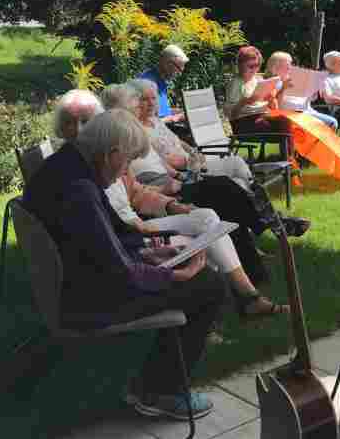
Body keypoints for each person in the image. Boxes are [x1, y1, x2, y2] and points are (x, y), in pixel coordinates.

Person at [23, 110, 227, 421]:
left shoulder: (69, 166)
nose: (124, 173)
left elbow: (108, 237)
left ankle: (158, 384)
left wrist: (146, 250)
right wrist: (173, 274)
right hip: (86, 302)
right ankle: (161, 391)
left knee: (197, 279)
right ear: (111, 154)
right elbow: (121, 275)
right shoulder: (80, 190)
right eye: (127, 162)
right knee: (209, 286)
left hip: (76, 282)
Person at [99, 84, 289, 320]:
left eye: (145, 101)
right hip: (136, 229)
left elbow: (136, 189)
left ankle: (250, 290)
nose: (143, 106)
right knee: (221, 191)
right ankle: (264, 234)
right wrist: (165, 194)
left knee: (213, 207)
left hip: (160, 196)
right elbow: (121, 210)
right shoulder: (107, 153)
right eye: (138, 103)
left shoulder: (122, 141)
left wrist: (173, 199)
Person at [127, 79, 252, 188]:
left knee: (238, 180)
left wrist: (194, 151)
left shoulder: (155, 120)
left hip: (194, 163)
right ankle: (257, 195)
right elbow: (160, 160)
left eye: (153, 98)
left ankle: (256, 196)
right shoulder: (137, 130)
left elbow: (177, 140)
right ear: (134, 102)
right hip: (186, 173)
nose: (151, 103)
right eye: (144, 99)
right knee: (235, 164)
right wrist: (190, 162)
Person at [265, 51, 339, 130]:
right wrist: (283, 88)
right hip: (292, 115)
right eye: (286, 64)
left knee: (332, 123)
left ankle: (316, 142)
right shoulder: (274, 82)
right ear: (276, 67)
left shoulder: (294, 79)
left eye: (290, 64)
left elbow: (306, 101)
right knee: (331, 123)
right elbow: (277, 106)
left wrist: (312, 93)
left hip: (306, 111)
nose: (290, 67)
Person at [224, 45, 288, 135]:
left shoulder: (257, 80)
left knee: (288, 122)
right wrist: (244, 102)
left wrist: (271, 100)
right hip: (243, 122)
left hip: (260, 117)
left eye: (257, 65)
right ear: (240, 65)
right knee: (283, 125)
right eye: (251, 66)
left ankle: (287, 148)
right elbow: (231, 115)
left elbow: (274, 108)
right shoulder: (235, 83)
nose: (254, 69)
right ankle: (286, 148)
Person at [138, 44, 189, 124]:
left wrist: (183, 111)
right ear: (167, 63)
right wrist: (176, 118)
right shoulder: (148, 84)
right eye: (178, 69)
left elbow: (162, 112)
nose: (179, 73)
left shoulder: (160, 79)